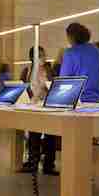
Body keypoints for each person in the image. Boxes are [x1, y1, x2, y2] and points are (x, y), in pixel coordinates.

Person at [20, 46, 58, 175]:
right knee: (33, 136)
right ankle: (32, 163)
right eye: (40, 55)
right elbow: (24, 86)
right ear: (32, 58)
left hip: (48, 106)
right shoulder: (27, 71)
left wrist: (46, 86)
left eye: (43, 54)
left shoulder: (49, 70)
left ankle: (49, 165)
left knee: (50, 136)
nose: (43, 58)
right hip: (33, 106)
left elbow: (54, 86)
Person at [59, 23, 99, 103]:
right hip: (95, 98)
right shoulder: (96, 51)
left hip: (77, 99)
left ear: (71, 37)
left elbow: (64, 79)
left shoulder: (70, 53)